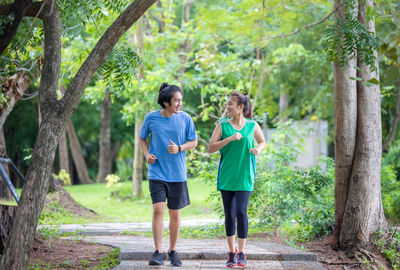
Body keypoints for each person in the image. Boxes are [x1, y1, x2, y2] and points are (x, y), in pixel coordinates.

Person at [139, 82, 198, 267]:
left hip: (177, 174)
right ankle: (158, 252)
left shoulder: (186, 118)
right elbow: (142, 138)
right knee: (158, 209)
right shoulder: (151, 118)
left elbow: (194, 141)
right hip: (157, 172)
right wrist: (146, 154)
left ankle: (173, 251)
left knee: (175, 213)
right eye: (176, 100)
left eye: (181, 100)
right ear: (166, 102)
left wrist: (180, 147)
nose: (180, 103)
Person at [208, 91, 266, 267]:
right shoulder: (222, 125)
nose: (228, 107)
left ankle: (242, 253)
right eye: (227, 104)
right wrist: (230, 138)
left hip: (245, 175)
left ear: (240, 107)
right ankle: (231, 253)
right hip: (227, 176)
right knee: (229, 213)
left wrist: (258, 150)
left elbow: (262, 141)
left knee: (241, 211)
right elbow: (211, 148)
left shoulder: (252, 125)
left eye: (230, 104)